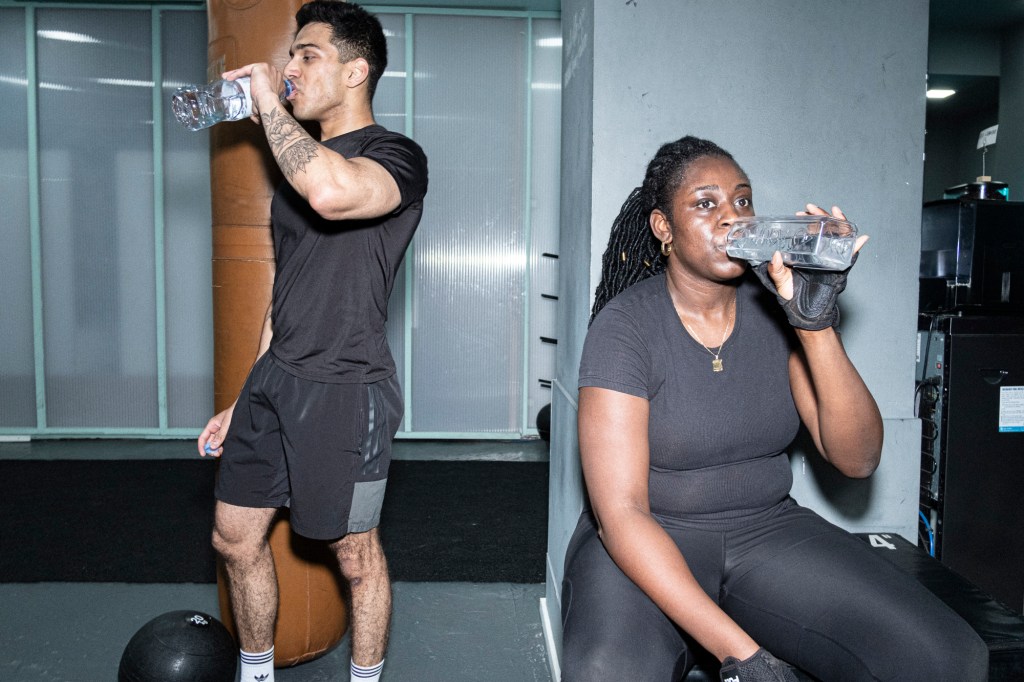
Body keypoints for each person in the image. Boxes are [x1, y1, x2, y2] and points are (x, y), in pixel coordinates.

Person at [559, 135, 988, 681]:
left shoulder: (777, 314)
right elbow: (622, 515)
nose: (731, 217)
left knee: (946, 656)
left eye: (742, 201)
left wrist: (815, 325)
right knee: (607, 671)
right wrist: (744, 655)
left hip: (765, 533)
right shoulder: (624, 328)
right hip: (649, 539)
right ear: (663, 228)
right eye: (706, 203)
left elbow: (857, 458)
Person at [197, 3, 428, 682]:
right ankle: (259, 670)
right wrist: (245, 398)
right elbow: (286, 291)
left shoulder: (397, 157)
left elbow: (331, 193)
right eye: (290, 55)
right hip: (277, 379)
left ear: (356, 71)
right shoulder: (295, 173)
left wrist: (266, 96)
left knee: (355, 557)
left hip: (346, 387)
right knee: (233, 538)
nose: (291, 67)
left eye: (307, 55)